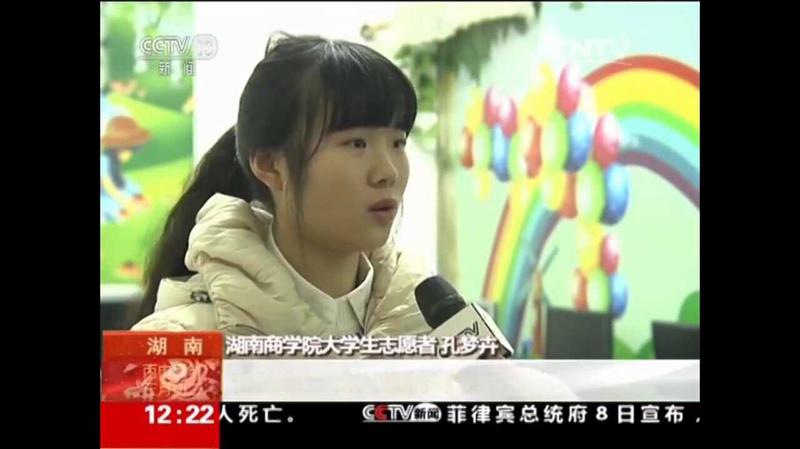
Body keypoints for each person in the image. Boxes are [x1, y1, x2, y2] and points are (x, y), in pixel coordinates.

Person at [132, 33, 436, 339]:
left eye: (398, 143)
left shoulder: (434, 329)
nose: (388, 172)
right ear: (271, 166)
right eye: (357, 143)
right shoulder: (182, 340)